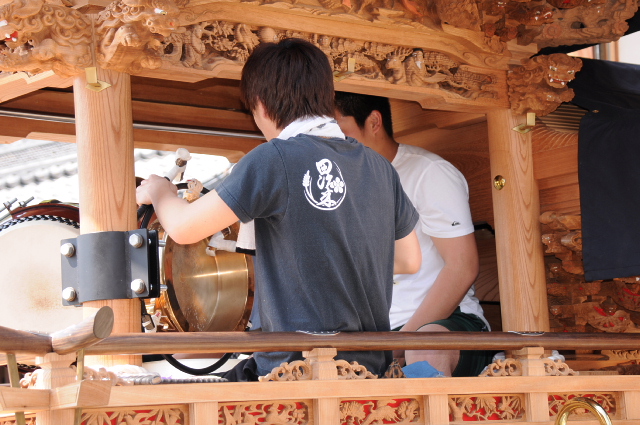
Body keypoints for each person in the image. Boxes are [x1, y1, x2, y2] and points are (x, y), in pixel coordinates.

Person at [137, 39, 421, 381]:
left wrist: (161, 191)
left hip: (295, 370)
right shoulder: (379, 168)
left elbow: (183, 228)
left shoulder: (275, 159)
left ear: (260, 104)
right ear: (326, 96)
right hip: (371, 371)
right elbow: (410, 260)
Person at [335, 92, 494, 377]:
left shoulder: (427, 173)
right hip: (375, 334)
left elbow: (462, 267)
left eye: (339, 131)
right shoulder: (335, 184)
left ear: (373, 122)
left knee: (425, 350)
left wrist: (399, 343)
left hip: (445, 322)